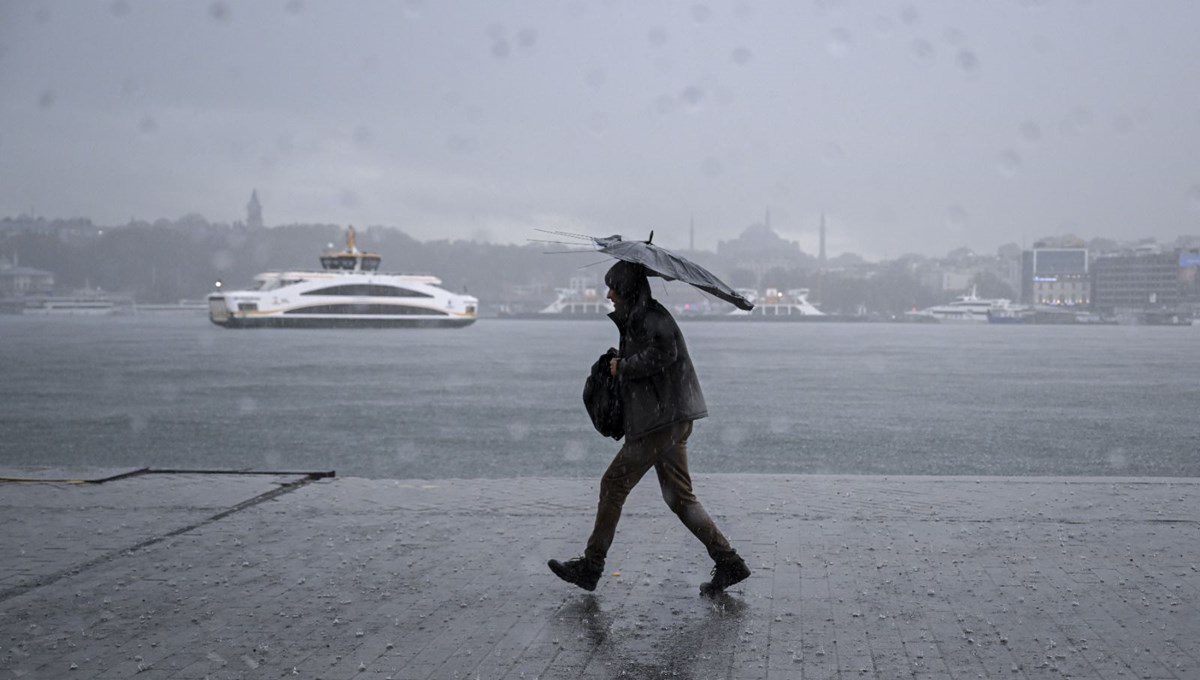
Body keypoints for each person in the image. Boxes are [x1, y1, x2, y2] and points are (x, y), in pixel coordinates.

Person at [549, 260, 750, 596]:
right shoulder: (642, 315)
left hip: (660, 421)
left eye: (613, 287)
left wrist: (622, 366)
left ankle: (591, 566)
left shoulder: (648, 317)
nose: (608, 294)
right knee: (681, 499)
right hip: (671, 418)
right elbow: (656, 354)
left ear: (627, 289)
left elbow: (664, 354)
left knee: (613, 485)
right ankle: (729, 562)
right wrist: (621, 358)